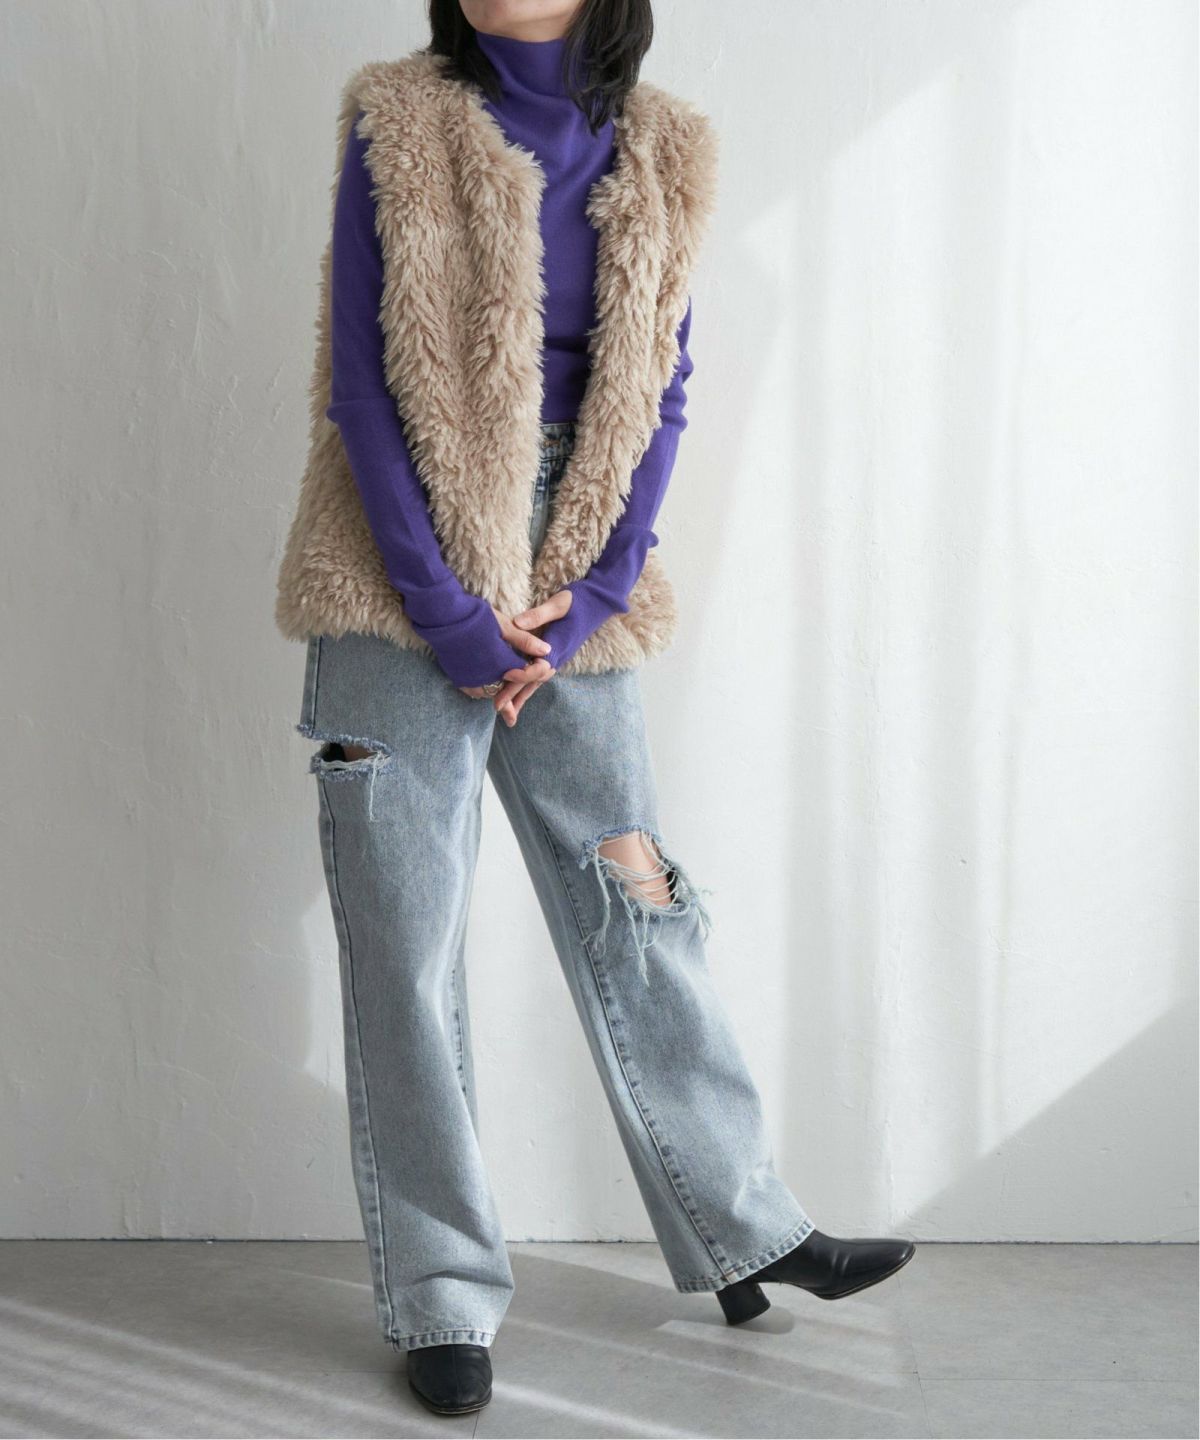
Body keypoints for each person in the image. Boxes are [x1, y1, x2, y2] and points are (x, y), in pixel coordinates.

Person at [275, 0, 915, 1417]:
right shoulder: (398, 116)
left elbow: (662, 387)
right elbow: (365, 389)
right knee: (406, 945)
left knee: (635, 897)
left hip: (575, 559)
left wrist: (598, 584)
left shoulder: (667, 145)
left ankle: (744, 1222)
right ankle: (443, 1293)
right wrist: (450, 608)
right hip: (397, 564)